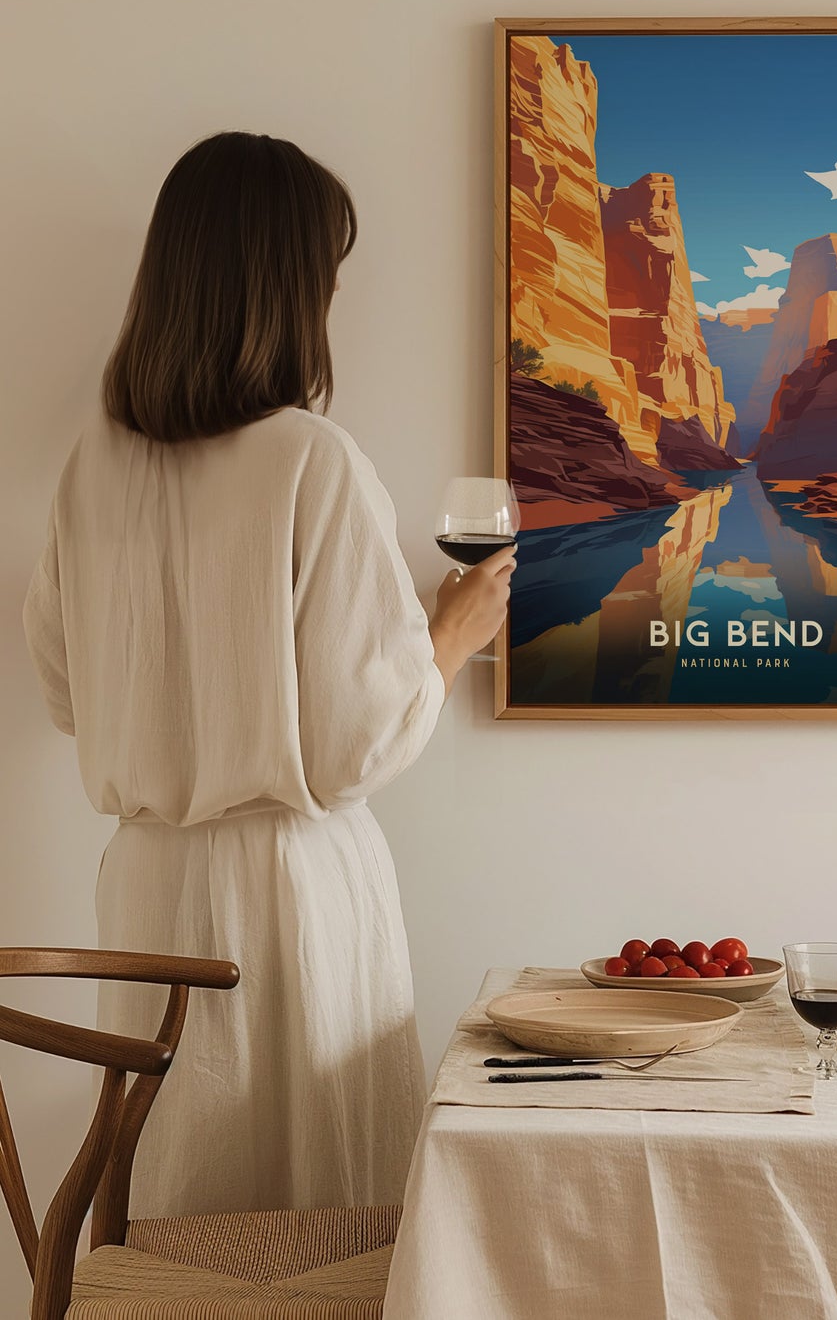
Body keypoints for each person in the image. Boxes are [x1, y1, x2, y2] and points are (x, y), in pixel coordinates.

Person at [21, 131, 511, 1216]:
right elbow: (350, 746)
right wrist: (449, 633)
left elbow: (65, 691)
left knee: (177, 1200)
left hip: (146, 884)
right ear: (287, 287)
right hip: (289, 894)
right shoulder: (309, 458)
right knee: (314, 1218)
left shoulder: (91, 466)